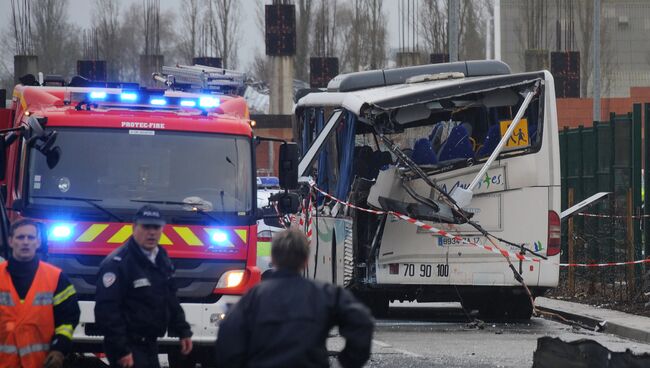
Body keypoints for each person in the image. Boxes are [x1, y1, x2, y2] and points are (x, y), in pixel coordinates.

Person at [215, 228, 374, 368]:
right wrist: (347, 362)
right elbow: (361, 322)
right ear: (305, 261)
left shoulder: (253, 297)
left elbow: (228, 338)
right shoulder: (325, 294)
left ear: (273, 259)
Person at [94, 205, 193, 368]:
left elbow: (170, 298)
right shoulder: (118, 263)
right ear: (134, 228)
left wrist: (183, 331)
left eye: (156, 227)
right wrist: (122, 350)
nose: (152, 232)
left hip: (150, 342)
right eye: (146, 226)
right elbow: (107, 312)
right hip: (127, 345)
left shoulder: (161, 257)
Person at [0, 219, 80, 368]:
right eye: (20, 237)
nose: (25, 242)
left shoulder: (56, 278)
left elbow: (67, 319)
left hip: (39, 363)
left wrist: (59, 350)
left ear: (38, 242)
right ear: (10, 241)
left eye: (30, 238)